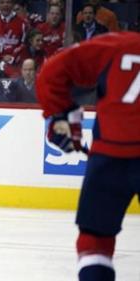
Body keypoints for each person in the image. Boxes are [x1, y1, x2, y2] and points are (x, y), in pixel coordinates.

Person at [36, 32, 140, 281]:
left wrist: (61, 114)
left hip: (109, 155)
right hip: (108, 153)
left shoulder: (119, 44)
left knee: (95, 240)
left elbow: (52, 70)